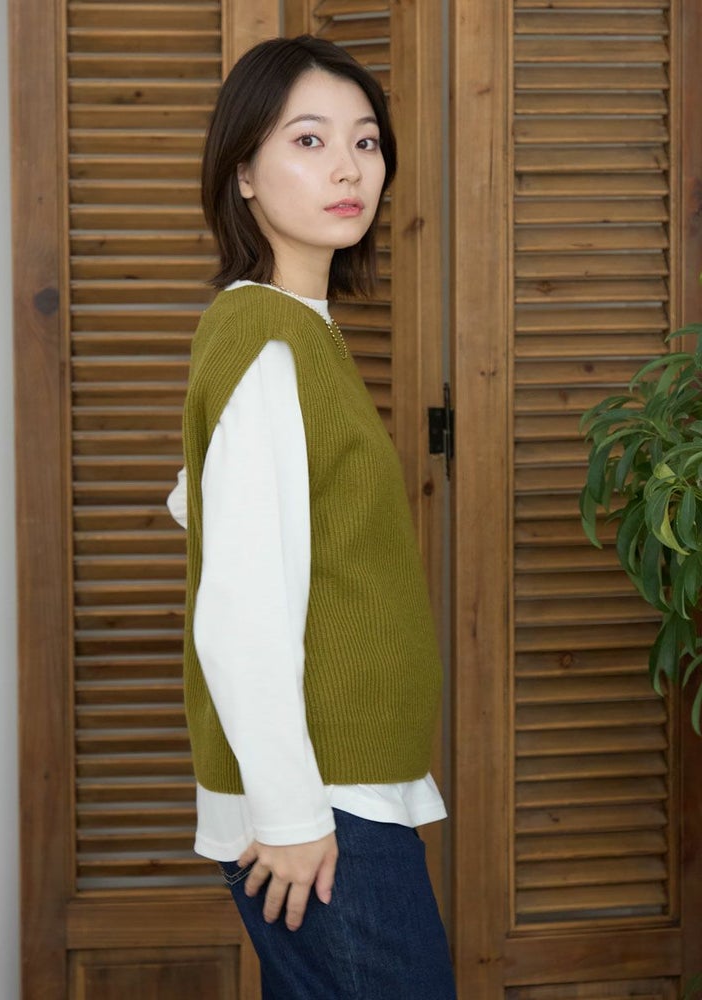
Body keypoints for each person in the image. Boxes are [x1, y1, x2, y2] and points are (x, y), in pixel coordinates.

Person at [167, 34, 457, 1000]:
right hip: (322, 807)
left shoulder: (292, 333)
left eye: (366, 142)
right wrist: (290, 816)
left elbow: (211, 507)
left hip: (340, 793)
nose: (348, 167)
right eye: (308, 140)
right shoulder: (264, 336)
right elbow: (239, 608)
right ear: (243, 172)